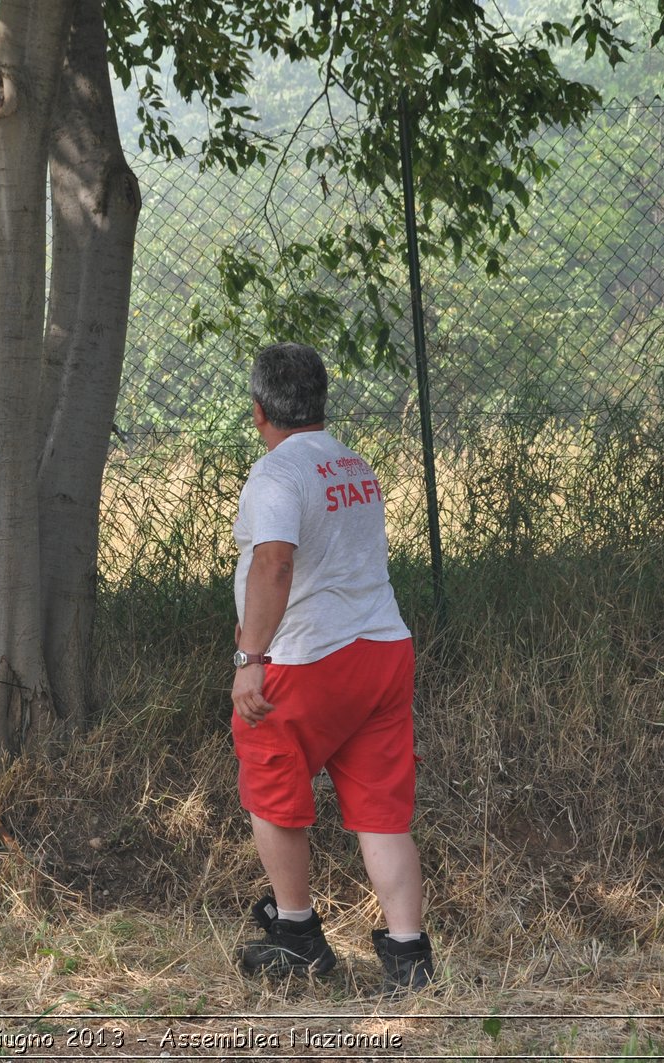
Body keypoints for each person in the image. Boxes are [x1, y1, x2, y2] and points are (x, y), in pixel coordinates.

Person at [228, 341, 434, 992]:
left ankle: (297, 935)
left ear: (259, 410)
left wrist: (250, 658)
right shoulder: (353, 463)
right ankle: (409, 956)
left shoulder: (276, 475)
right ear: (319, 401)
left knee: (274, 789)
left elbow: (275, 563)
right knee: (381, 811)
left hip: (306, 658)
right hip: (382, 649)